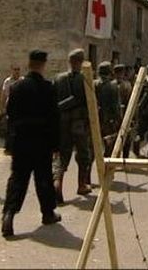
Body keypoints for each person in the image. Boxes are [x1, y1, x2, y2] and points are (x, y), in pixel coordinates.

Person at [1, 50, 61, 237]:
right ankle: (48, 213)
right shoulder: (48, 88)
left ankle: (8, 215)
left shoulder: (17, 87)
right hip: (41, 141)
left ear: (29, 63)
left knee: (18, 178)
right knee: (43, 178)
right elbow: (54, 119)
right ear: (43, 64)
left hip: (21, 140)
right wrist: (56, 145)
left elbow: (10, 113)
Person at [53, 49, 92, 204]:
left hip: (62, 122)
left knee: (62, 155)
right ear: (81, 62)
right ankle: (81, 185)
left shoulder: (58, 78)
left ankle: (57, 185)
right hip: (78, 123)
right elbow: (88, 102)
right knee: (83, 155)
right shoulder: (85, 78)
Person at [94, 61, 121, 157]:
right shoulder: (113, 86)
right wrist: (119, 119)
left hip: (94, 118)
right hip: (108, 119)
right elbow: (115, 105)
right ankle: (106, 161)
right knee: (109, 142)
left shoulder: (93, 83)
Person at [0, 64, 23, 154]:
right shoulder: (8, 81)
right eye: (15, 69)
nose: (17, 71)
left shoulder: (22, 81)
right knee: (10, 128)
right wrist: (3, 107)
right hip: (11, 106)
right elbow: (3, 94)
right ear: (12, 70)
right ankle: (8, 148)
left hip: (20, 107)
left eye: (18, 69)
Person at [114, 64, 133, 158]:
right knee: (126, 139)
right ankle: (125, 159)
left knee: (113, 138)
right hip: (124, 114)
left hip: (113, 116)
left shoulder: (111, 84)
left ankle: (113, 158)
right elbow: (131, 101)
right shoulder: (127, 85)